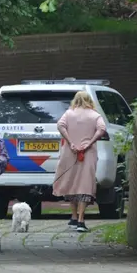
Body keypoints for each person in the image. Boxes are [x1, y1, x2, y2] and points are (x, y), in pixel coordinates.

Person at [52, 91, 107, 233]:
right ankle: (81, 221)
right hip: (87, 154)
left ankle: (74, 216)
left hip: (70, 153)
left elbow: (60, 125)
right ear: (89, 100)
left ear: (75, 100)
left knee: (72, 182)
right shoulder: (95, 115)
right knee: (85, 184)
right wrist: (90, 142)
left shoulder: (69, 113)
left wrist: (70, 142)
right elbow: (102, 129)